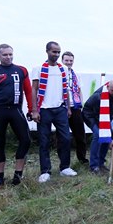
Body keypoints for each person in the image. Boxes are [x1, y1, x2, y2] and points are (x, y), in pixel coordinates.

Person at [0, 44, 34, 189]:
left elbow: (28, 91)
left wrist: (31, 109)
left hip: (16, 110)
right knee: (0, 143)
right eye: (5, 55)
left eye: (11, 54)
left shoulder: (21, 70)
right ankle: (0, 178)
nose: (8, 57)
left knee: (26, 139)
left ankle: (18, 174)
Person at [31, 41, 78, 183]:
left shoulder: (63, 68)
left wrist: (68, 107)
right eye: (54, 52)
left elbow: (66, 89)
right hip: (44, 109)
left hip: (60, 109)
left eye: (58, 52)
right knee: (44, 141)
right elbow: (34, 89)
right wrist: (34, 110)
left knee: (65, 138)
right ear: (47, 51)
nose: (56, 54)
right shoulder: (38, 68)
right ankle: (45, 171)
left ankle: (65, 167)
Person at [82, 80, 113, 174]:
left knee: (107, 136)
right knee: (99, 135)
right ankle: (94, 166)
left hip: (105, 117)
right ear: (108, 87)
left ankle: (101, 163)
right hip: (91, 116)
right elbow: (99, 119)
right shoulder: (99, 97)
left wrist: (110, 137)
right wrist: (108, 138)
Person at [62, 51, 88, 165]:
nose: (68, 63)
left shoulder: (76, 74)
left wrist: (80, 105)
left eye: (71, 60)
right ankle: (64, 162)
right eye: (66, 60)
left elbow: (79, 89)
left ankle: (82, 159)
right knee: (63, 136)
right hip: (62, 107)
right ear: (62, 61)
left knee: (80, 135)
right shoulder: (59, 73)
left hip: (76, 107)